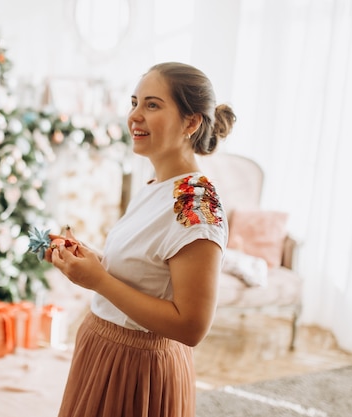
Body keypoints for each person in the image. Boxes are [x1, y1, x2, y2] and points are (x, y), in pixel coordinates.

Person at [49, 62, 236, 417]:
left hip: (138, 370)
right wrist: (91, 261)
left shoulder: (197, 208)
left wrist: (98, 281)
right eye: (134, 102)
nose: (134, 116)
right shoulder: (157, 185)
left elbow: (191, 326)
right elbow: (146, 272)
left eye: (152, 105)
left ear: (191, 122)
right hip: (104, 350)